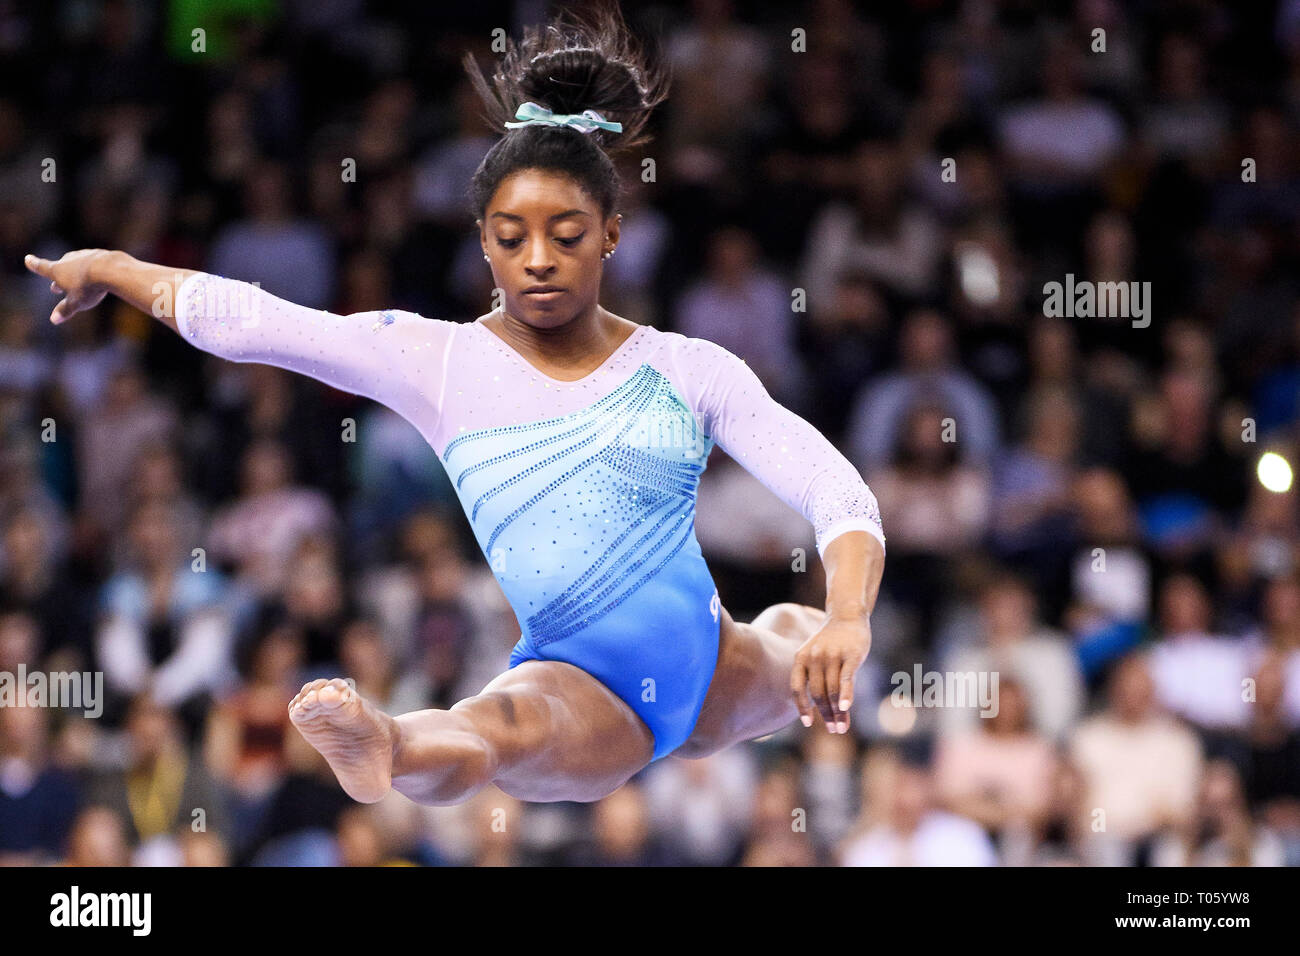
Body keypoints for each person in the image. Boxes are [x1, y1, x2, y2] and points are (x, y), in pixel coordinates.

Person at [23, 3, 885, 808]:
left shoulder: (689, 370)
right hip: (581, 684)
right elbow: (259, 323)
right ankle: (384, 742)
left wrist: (846, 619)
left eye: (568, 234)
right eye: (512, 239)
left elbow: (834, 489)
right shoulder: (439, 361)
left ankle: (807, 630)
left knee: (801, 637)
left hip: (718, 665)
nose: (539, 259)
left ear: (612, 233)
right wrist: (112, 266)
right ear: (484, 243)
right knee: (502, 727)